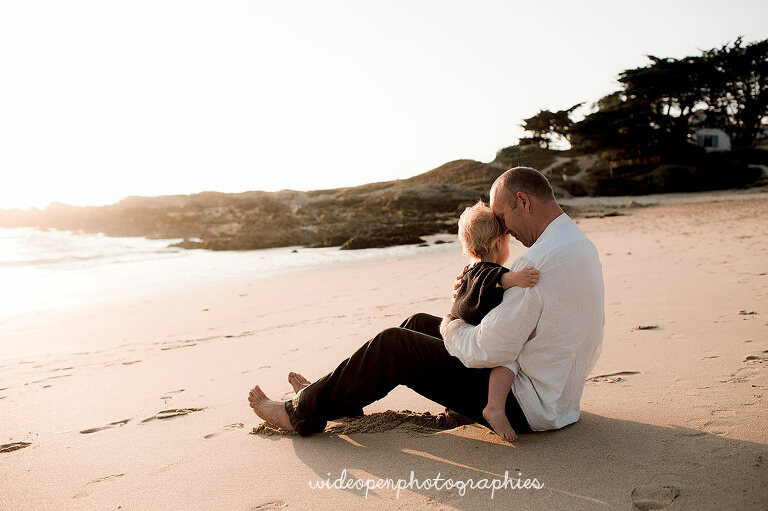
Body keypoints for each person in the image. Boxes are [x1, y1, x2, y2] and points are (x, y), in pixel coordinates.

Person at [248, 166, 604, 439]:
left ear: (523, 202)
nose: (504, 229)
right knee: (417, 323)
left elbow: (491, 349)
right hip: (558, 397)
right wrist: (477, 293)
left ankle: (300, 412)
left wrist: (452, 323)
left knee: (394, 344)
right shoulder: (578, 244)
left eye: (502, 217)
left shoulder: (537, 261)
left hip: (523, 405)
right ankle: (339, 398)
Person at [449, 201, 539, 442]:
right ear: (499, 243)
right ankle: (495, 407)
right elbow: (496, 280)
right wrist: (517, 278)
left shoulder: (472, 268)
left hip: (461, 326)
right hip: (471, 332)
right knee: (508, 360)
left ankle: (456, 406)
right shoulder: (490, 271)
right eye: (507, 240)